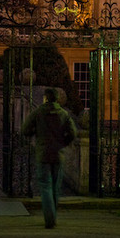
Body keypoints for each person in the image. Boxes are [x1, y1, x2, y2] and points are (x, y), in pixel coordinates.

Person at [21, 88, 77, 228]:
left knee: (45, 186)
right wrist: (63, 142)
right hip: (58, 154)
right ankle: (52, 216)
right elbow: (72, 133)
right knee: (55, 187)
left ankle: (50, 219)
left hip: (43, 153)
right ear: (57, 99)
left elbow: (25, 130)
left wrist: (36, 132)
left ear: (45, 98)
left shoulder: (38, 112)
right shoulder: (63, 114)